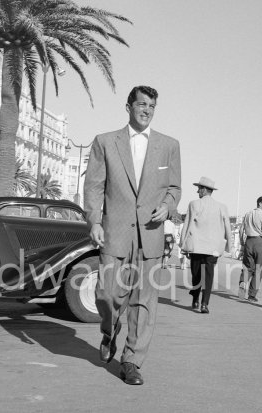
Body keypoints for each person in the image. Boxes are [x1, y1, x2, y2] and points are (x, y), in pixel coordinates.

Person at [83, 85, 181, 385]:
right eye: (141, 104)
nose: (147, 110)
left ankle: (131, 361)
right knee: (108, 293)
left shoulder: (169, 145)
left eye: (152, 106)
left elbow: (174, 188)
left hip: (150, 235)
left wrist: (167, 207)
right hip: (114, 231)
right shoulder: (104, 142)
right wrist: (95, 222)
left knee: (144, 300)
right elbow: (94, 186)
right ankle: (109, 330)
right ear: (128, 107)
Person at [180, 177, 232, 314]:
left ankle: (196, 298)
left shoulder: (194, 204)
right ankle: (204, 304)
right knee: (208, 276)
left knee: (196, 275)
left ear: (203, 190)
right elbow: (228, 228)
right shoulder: (222, 207)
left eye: (199, 188)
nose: (197, 191)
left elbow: (187, 224)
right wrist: (229, 247)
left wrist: (183, 244)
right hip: (213, 249)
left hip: (196, 247)